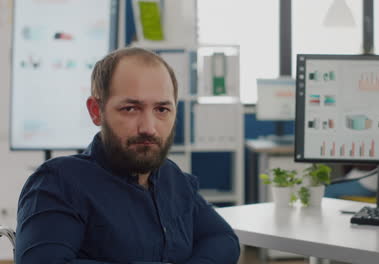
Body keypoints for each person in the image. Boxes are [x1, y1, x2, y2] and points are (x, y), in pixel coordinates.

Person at [15, 47, 240, 264]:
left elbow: (223, 240)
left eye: (162, 109)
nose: (149, 128)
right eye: (130, 108)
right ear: (96, 111)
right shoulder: (59, 182)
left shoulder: (173, 177)